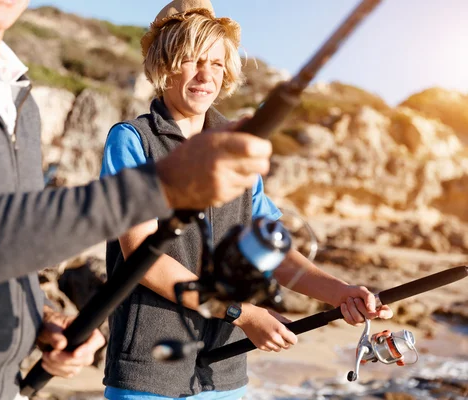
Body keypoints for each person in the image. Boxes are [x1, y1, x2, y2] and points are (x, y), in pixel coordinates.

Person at [0, 1, 275, 399]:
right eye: (191, 58)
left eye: (216, 63)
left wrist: (42, 318)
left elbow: (13, 248)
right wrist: (166, 182)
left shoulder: (15, 92)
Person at [100, 1, 394, 399]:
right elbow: (141, 258)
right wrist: (242, 313)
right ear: (163, 64)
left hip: (222, 372)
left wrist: (341, 292)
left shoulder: (238, 148)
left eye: (217, 64)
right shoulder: (133, 140)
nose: (206, 75)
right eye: (191, 60)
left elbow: (271, 251)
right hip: (149, 372)